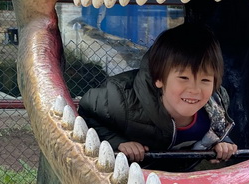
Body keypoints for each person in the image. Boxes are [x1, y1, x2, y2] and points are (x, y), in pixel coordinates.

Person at [78, 25, 238, 168]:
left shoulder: (217, 105)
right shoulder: (120, 100)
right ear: (159, 79)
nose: (195, 90)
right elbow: (86, 112)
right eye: (184, 78)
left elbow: (218, 129)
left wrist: (223, 143)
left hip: (179, 180)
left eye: (205, 80)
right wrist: (117, 142)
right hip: (132, 178)